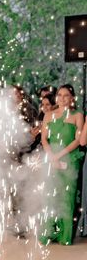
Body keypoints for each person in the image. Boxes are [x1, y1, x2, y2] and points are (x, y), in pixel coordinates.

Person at [41, 84, 83, 245]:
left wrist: (59, 155)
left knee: (67, 198)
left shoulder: (77, 115)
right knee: (50, 197)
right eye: (59, 95)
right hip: (51, 159)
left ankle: (64, 236)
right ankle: (49, 233)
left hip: (70, 160)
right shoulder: (48, 115)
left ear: (72, 98)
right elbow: (44, 139)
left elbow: (78, 140)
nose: (62, 98)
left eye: (66, 95)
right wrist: (52, 156)